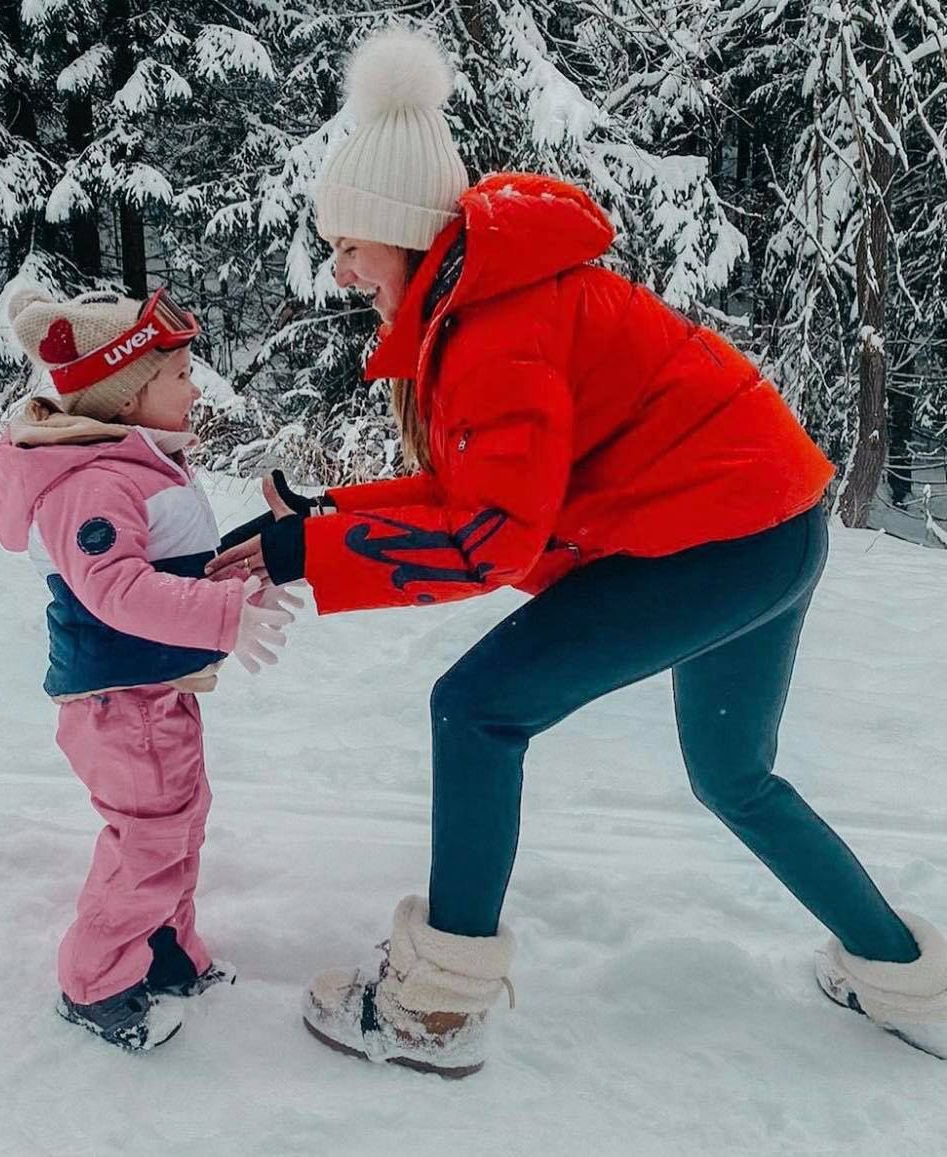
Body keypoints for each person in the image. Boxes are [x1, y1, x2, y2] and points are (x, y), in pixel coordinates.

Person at [208, 27, 947, 1075]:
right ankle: (908, 979)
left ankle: (436, 1007)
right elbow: (486, 484)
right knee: (735, 774)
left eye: (349, 242)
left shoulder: (493, 331)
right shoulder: (494, 300)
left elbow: (485, 538)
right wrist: (324, 512)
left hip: (719, 538)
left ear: (399, 233)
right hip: (773, 521)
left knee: (477, 708)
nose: (339, 267)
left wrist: (305, 555)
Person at [0, 286, 293, 1050]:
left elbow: (175, 575)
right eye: (180, 373)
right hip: (117, 705)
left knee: (177, 825)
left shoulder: (138, 462)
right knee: (148, 839)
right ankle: (94, 982)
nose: (195, 386)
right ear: (128, 396)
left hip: (154, 693)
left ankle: (158, 945)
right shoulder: (93, 482)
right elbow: (118, 589)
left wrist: (266, 562)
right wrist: (224, 616)